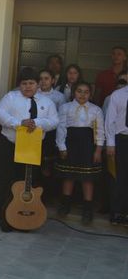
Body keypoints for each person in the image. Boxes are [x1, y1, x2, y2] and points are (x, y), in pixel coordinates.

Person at [0, 67, 58, 232]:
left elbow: (54, 121)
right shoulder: (10, 97)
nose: (28, 87)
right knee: (7, 180)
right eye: (24, 83)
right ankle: (3, 217)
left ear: (38, 84)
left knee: (29, 183)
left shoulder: (46, 102)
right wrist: (19, 123)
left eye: (31, 83)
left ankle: (25, 217)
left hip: (33, 146)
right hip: (10, 145)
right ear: (19, 85)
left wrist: (37, 123)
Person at [55, 81, 104, 224]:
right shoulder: (65, 107)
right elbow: (61, 128)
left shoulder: (96, 110)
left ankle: (87, 208)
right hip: (71, 144)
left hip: (88, 146)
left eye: (86, 92)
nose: (82, 94)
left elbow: (100, 131)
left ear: (90, 94)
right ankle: (65, 204)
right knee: (69, 176)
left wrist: (98, 150)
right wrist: (62, 147)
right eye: (79, 91)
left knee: (87, 178)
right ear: (73, 92)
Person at [37, 69, 65, 201]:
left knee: (47, 165)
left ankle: (46, 195)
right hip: (34, 133)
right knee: (34, 163)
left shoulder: (59, 97)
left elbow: (61, 118)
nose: (43, 81)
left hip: (50, 134)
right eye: (41, 78)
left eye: (46, 78)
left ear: (53, 80)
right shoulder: (34, 93)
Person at [104, 80, 128, 226]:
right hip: (122, 140)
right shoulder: (118, 95)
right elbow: (110, 120)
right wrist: (110, 143)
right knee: (119, 177)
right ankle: (117, 211)